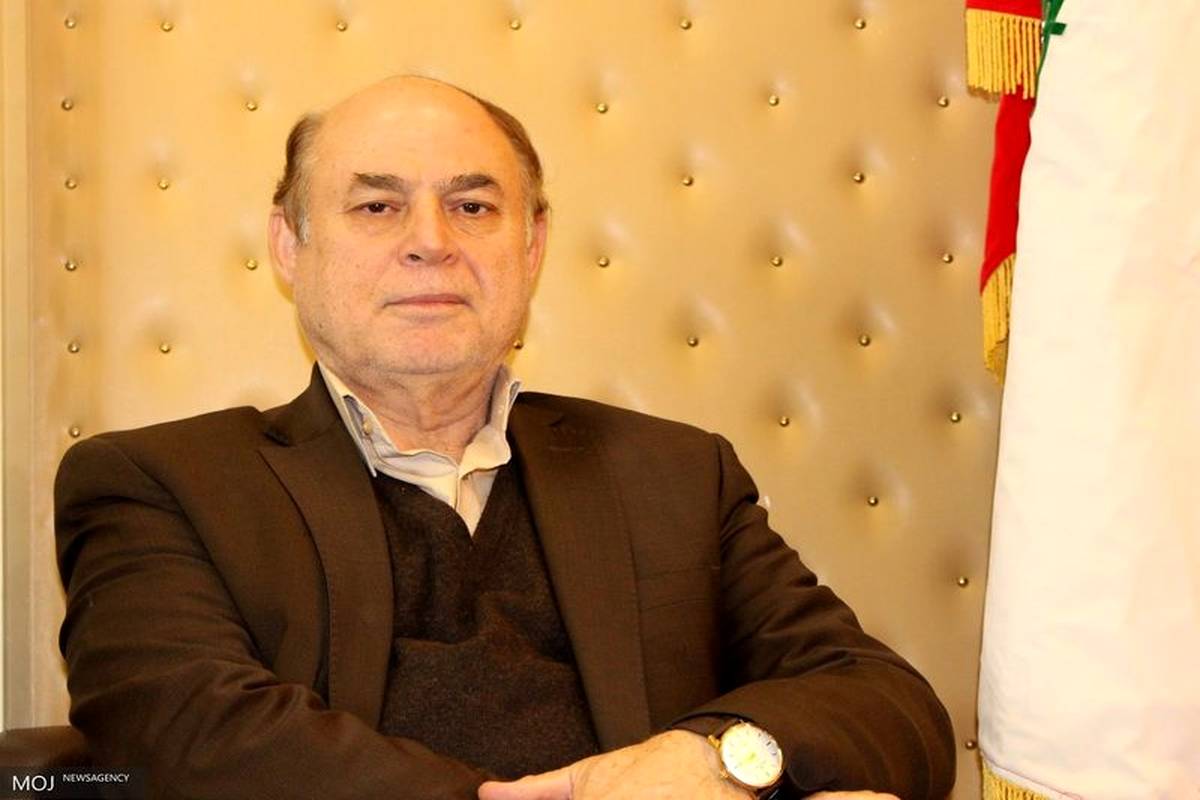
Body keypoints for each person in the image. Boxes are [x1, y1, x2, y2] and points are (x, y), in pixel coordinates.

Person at [54, 75, 955, 799]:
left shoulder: (675, 475)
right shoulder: (159, 484)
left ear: (532, 247)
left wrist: (717, 761)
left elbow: (885, 704)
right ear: (289, 246)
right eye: (377, 207)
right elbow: (187, 738)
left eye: (475, 207)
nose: (431, 242)